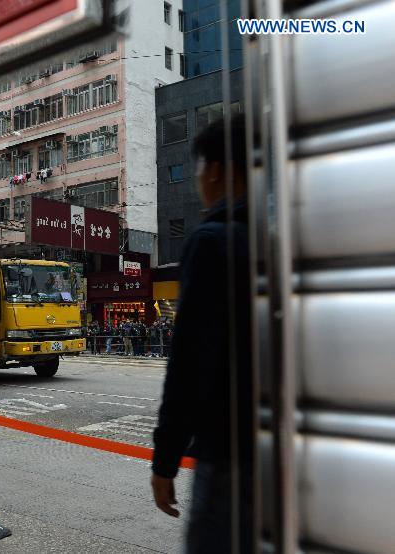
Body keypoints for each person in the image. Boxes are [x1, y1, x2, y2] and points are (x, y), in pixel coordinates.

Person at [151, 114, 252, 554]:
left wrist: (165, 459)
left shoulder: (211, 240)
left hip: (227, 451)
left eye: (196, 172)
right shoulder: (276, 236)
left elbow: (189, 362)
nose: (197, 184)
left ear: (216, 171)